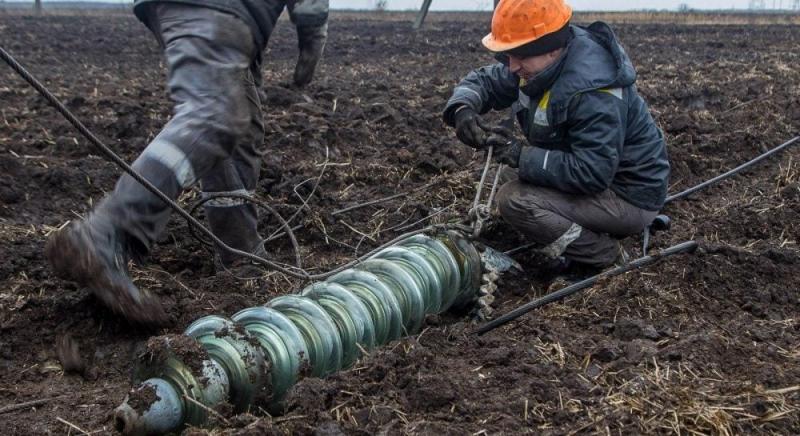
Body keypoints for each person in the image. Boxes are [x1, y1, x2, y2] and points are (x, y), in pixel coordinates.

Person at [45, 0, 330, 326]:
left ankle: (240, 252)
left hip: (216, 13)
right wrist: (313, 39)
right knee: (214, 115)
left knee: (237, 123)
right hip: (214, 7)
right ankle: (104, 233)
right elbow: (311, 7)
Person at [443, 0, 669, 271]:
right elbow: (487, 80)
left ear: (551, 48)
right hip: (599, 178)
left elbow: (592, 173)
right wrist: (462, 109)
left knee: (515, 200)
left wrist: (521, 155)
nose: (512, 66)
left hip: (628, 195)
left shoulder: (593, 91)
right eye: (509, 55)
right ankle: (559, 230)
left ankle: (605, 255)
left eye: (520, 56)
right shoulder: (539, 64)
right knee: (506, 176)